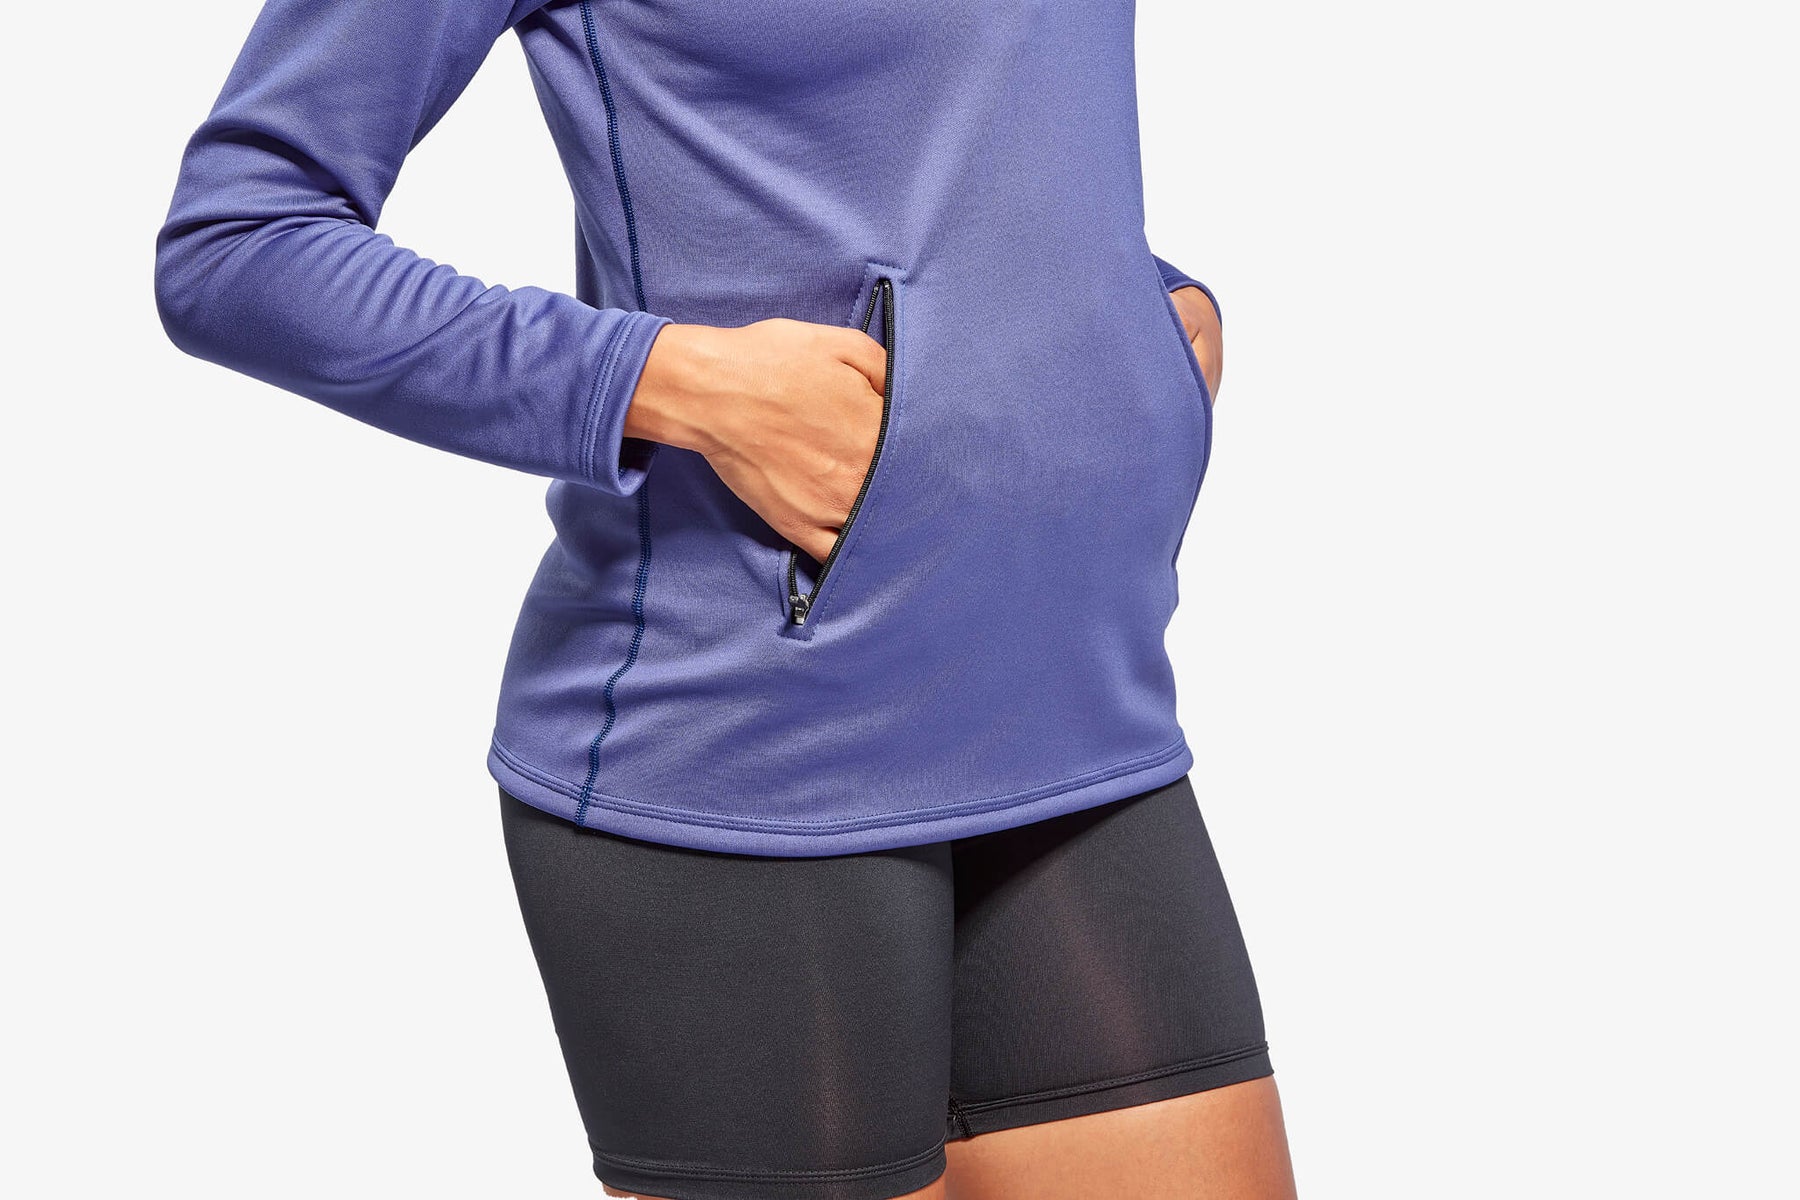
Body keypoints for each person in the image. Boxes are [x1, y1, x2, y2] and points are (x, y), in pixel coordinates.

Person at [153, 1, 1296, 1196]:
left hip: (1073, 708)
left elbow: (975, 125)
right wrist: (670, 379)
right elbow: (237, 244)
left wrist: (1136, 319)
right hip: (746, 746)